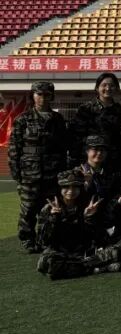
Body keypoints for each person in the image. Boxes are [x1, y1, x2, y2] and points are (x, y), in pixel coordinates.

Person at [10, 81, 69, 253]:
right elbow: (14, 149)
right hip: (30, 174)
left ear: (52, 96)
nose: (43, 98)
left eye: (46, 94)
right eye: (39, 94)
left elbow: (63, 147)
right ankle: (28, 240)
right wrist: (18, 176)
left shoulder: (57, 120)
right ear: (33, 95)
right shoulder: (23, 119)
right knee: (28, 210)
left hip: (53, 174)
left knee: (50, 209)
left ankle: (46, 240)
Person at [35, 169, 106, 280]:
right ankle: (93, 267)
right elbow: (42, 241)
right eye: (66, 187)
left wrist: (88, 217)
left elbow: (98, 235)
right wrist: (53, 218)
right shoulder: (49, 208)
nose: (70, 191)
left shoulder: (88, 205)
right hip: (60, 251)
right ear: (59, 188)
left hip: (83, 249)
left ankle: (86, 265)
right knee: (46, 263)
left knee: (115, 250)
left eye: (75, 187)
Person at [69, 72, 121, 163]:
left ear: (116, 88)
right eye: (104, 85)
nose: (108, 88)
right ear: (97, 88)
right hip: (90, 157)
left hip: (112, 158)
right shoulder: (86, 108)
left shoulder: (120, 110)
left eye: (111, 85)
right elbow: (76, 135)